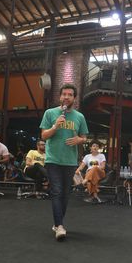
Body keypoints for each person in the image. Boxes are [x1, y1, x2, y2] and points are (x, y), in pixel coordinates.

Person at [41, 84, 88, 241]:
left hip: (70, 161)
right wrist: (55, 126)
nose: (67, 97)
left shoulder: (79, 117)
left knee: (66, 194)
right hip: (53, 159)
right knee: (57, 191)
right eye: (64, 94)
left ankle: (57, 223)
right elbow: (44, 136)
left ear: (74, 98)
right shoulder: (50, 113)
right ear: (60, 97)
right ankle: (60, 226)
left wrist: (79, 140)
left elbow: (84, 137)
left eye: (70, 94)